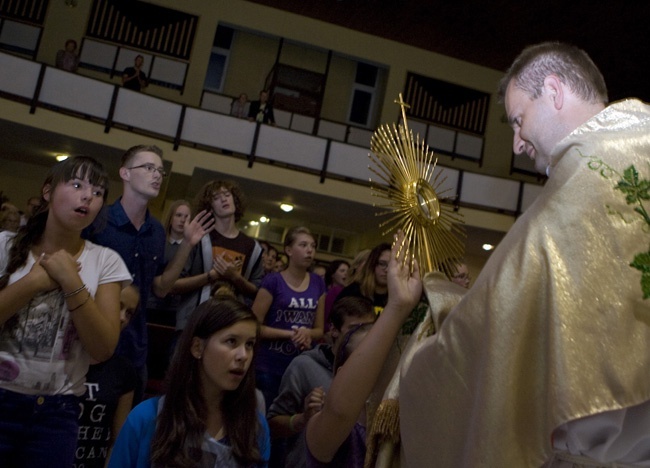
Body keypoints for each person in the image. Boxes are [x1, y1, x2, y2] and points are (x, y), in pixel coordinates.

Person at [400, 42, 650, 467]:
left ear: (554, 91)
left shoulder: (581, 184)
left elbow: (504, 304)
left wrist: (437, 317)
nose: (517, 144)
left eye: (519, 121)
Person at [0, 156, 132, 467]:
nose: (88, 196)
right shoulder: (5, 245)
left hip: (56, 411)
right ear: (47, 191)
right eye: (76, 185)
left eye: (98, 192)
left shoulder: (106, 261)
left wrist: (71, 281)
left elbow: (103, 347)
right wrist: (34, 282)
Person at [84, 144, 214, 405]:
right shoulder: (98, 220)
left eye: (160, 171)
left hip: (134, 346)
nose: (156, 175)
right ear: (125, 173)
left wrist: (187, 244)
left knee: (126, 430)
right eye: (148, 167)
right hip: (91, 340)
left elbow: (161, 288)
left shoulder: (156, 231)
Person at [108, 297, 271, 467]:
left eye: (250, 344)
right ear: (197, 347)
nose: (243, 355)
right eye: (231, 341)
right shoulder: (145, 418)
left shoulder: (255, 427)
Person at [305, 231, 421, 467]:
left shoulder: (408, 432)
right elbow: (340, 410)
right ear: (341, 374)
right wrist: (397, 307)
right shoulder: (327, 429)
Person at [267, 296, 376, 468]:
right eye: (355, 329)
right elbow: (272, 425)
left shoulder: (377, 372)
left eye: (370, 330)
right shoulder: (304, 366)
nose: (365, 338)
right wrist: (302, 419)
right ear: (334, 330)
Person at [171, 180, 264, 344]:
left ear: (235, 200)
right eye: (216, 197)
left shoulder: (252, 247)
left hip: (231, 327)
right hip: (194, 325)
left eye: (227, 195)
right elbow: (173, 284)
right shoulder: (197, 239)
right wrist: (212, 275)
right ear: (210, 206)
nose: (223, 199)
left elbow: (258, 292)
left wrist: (235, 277)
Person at [252, 226, 326, 409]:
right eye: (303, 245)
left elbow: (319, 329)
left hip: (301, 366)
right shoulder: (273, 281)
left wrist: (307, 333)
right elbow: (252, 325)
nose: (310, 250)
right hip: (269, 365)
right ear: (288, 250)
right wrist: (290, 334)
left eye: (313, 246)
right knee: (264, 418)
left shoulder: (318, 283)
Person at [75, 285, 139, 468]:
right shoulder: (64, 359)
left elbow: (116, 441)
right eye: (118, 306)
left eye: (129, 313)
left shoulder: (124, 371)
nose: (122, 318)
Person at [145, 200, 192, 327]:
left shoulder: (193, 249)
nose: (182, 220)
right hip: (150, 304)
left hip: (176, 309)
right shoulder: (157, 242)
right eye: (178, 215)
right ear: (170, 218)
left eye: (186, 217)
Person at [336, 243, 390, 316]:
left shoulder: (399, 297)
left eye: (392, 265)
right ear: (372, 264)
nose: (387, 269)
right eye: (382, 264)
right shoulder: (352, 292)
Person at [323, 260, 350, 334]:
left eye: (348, 271)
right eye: (342, 271)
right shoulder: (326, 291)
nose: (346, 274)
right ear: (332, 274)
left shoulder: (348, 291)